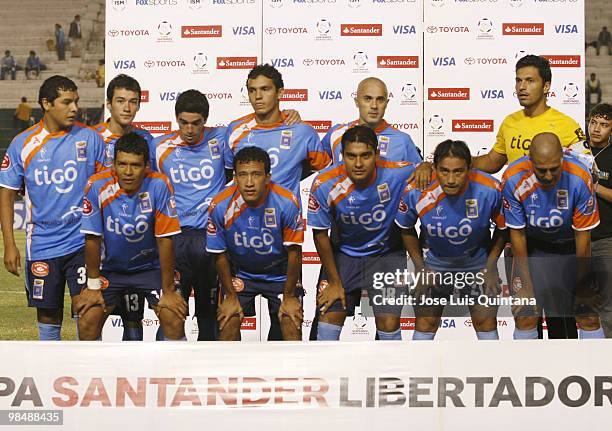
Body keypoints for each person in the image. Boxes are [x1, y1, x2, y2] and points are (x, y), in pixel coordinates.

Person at [0, 75, 106, 340]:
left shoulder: (90, 138)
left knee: (89, 310)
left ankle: (89, 373)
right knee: (48, 315)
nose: (74, 108)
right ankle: (51, 374)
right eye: (66, 102)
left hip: (83, 242)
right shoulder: (22, 144)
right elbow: (6, 195)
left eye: (76, 102)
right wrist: (10, 245)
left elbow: (107, 187)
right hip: (43, 244)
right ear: (46, 104)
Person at [308, 125, 416, 341]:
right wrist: (335, 282)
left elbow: (436, 170)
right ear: (342, 156)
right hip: (343, 256)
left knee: (389, 322)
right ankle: (327, 375)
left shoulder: (399, 172)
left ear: (377, 154)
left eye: (365, 156)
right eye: (351, 156)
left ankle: (390, 375)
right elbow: (320, 234)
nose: (358, 164)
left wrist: (425, 168)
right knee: (329, 318)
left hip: (387, 255)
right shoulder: (324, 183)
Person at [77, 133, 187, 341]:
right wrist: (92, 287)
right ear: (113, 164)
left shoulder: (159, 185)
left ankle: (173, 371)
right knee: (87, 320)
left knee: (174, 317)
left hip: (150, 268)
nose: (128, 172)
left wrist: (169, 290)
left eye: (135, 165)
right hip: (110, 270)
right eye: (122, 164)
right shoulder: (97, 185)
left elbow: (165, 239)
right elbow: (92, 238)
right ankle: (90, 372)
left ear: (146, 165)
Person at [395, 140, 506, 340]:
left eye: (458, 171)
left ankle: (491, 368)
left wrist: (491, 266)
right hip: (434, 263)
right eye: (444, 171)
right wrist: (420, 268)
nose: (451, 179)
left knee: (486, 322)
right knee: (425, 323)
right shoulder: (416, 191)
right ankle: (421, 372)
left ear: (470, 168)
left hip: (477, 263)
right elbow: (406, 229)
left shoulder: (490, 189)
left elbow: (503, 228)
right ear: (434, 168)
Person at [502, 133, 600, 339]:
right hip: (532, 248)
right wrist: (527, 287)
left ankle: (589, 369)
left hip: (569, 247)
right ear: (530, 161)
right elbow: (517, 235)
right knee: (526, 313)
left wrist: (582, 286)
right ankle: (525, 369)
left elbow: (583, 237)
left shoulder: (580, 177)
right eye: (541, 170)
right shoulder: (513, 178)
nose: (548, 176)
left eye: (554, 169)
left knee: (588, 314)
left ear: (563, 159)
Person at [151, 90, 229, 341]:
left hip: (211, 240)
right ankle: (166, 374)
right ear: (176, 119)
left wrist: (289, 115)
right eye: (183, 122)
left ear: (205, 120)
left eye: (196, 123)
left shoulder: (222, 138)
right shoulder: (159, 147)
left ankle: (208, 376)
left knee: (210, 316)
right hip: (176, 239)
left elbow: (256, 126)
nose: (189, 129)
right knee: (171, 312)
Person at [207, 146, 304, 341]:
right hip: (241, 274)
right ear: (235, 178)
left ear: (267, 177)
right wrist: (231, 297)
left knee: (291, 323)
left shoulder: (287, 203)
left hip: (280, 274)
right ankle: (230, 372)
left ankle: (290, 372)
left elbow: (295, 252)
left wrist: (290, 297)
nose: (249, 183)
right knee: (228, 323)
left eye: (256, 175)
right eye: (243, 175)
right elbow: (219, 253)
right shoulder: (220, 206)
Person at [94, 74, 155, 340]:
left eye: (133, 102)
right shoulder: (92, 137)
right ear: (109, 104)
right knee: (91, 313)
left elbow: (152, 184)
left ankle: (134, 373)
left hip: (135, 240)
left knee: (134, 315)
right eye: (120, 101)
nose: (127, 107)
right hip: (103, 242)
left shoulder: (146, 139)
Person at [225, 64, 330, 200]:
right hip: (243, 217)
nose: (258, 96)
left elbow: (324, 171)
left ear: (280, 92)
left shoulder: (303, 132)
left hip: (286, 217)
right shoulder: (235, 130)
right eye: (252, 90)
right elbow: (227, 173)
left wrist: (293, 174)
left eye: (265, 89)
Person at [322, 77, 422, 165]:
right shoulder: (336, 133)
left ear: (386, 103)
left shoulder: (403, 140)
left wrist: (425, 166)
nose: (374, 106)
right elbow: (320, 168)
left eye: (380, 100)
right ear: (357, 102)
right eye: (368, 99)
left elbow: (419, 179)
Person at [587, 103, 612, 337]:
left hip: (606, 240)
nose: (596, 129)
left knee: (609, 306)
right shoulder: (575, 150)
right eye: (594, 122)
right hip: (575, 240)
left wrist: (595, 186)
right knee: (580, 306)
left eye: (604, 125)